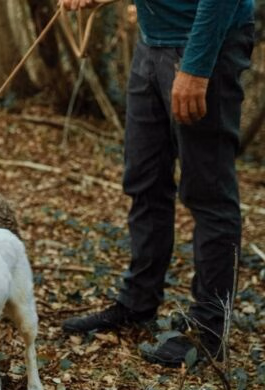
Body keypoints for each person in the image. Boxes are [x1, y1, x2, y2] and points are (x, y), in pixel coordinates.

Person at [60, 0, 255, 367]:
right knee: (144, 181)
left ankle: (209, 333)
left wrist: (196, 68)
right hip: (152, 45)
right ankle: (138, 302)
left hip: (205, 45)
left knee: (208, 193)